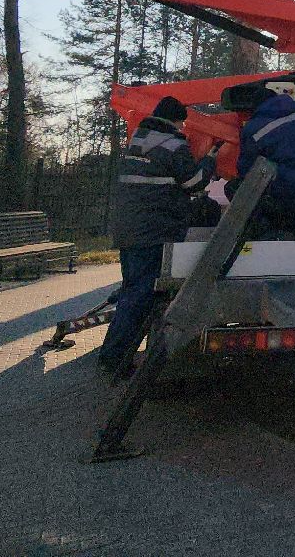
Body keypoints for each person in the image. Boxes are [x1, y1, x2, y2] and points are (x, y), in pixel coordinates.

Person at [99, 95, 216, 379]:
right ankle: (115, 359)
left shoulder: (138, 139)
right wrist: (211, 160)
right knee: (140, 296)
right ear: (178, 121)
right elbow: (193, 183)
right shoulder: (174, 145)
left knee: (131, 292)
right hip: (154, 230)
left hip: (129, 228)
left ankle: (114, 354)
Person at [231, 73, 295, 241]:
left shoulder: (252, 129)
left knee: (234, 188)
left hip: (284, 197)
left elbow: (246, 171)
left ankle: (271, 234)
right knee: (287, 205)